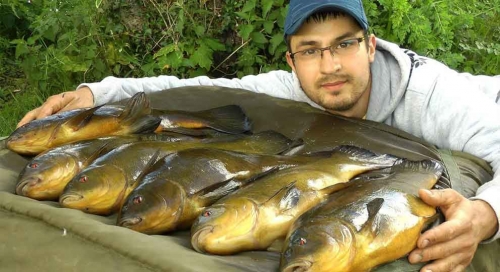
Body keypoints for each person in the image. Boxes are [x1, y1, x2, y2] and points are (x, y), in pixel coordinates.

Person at [17, 0, 500, 271]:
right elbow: (197, 90)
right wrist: (92, 92)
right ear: (291, 61)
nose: (329, 66)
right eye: (310, 51)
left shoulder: (434, 94)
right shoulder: (290, 89)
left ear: (371, 46)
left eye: (344, 45)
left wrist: (485, 216)